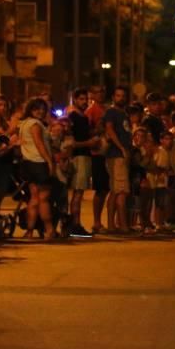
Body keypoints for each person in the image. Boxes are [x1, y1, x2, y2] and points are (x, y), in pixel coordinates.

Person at [19, 98, 55, 239]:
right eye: (36, 109)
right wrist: (49, 161)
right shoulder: (35, 125)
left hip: (28, 163)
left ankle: (29, 231)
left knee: (33, 198)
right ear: (30, 110)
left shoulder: (24, 124)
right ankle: (49, 229)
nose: (40, 111)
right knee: (44, 198)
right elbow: (40, 144)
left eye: (42, 109)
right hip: (39, 163)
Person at [66, 88, 97, 236]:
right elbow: (72, 142)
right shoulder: (73, 116)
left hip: (85, 156)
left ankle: (75, 224)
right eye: (81, 99)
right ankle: (74, 225)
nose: (84, 102)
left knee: (80, 192)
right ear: (75, 99)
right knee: (77, 193)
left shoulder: (83, 117)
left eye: (86, 99)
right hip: (79, 157)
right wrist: (89, 143)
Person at [103, 86, 132, 234]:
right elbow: (109, 129)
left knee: (121, 191)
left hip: (124, 155)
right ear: (113, 97)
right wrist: (121, 147)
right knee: (117, 190)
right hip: (116, 155)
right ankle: (115, 225)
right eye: (118, 95)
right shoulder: (111, 112)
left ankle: (119, 224)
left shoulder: (124, 113)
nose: (121, 98)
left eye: (123, 95)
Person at [86, 86, 109, 233]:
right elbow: (87, 131)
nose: (100, 94)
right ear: (92, 95)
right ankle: (96, 222)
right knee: (100, 189)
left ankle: (101, 221)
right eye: (97, 92)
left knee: (106, 189)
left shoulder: (106, 109)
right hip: (97, 153)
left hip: (107, 152)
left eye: (102, 91)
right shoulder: (91, 111)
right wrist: (98, 130)